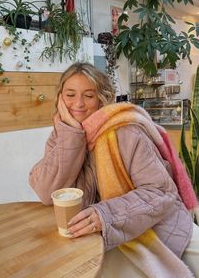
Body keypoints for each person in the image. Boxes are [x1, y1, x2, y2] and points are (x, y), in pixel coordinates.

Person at [29, 62, 199, 278]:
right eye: (70, 94)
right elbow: (46, 192)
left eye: (88, 95)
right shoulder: (60, 136)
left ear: (101, 97)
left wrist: (106, 216)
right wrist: (72, 135)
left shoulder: (125, 131)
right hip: (94, 235)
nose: (78, 103)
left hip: (153, 225)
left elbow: (161, 192)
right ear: (60, 98)